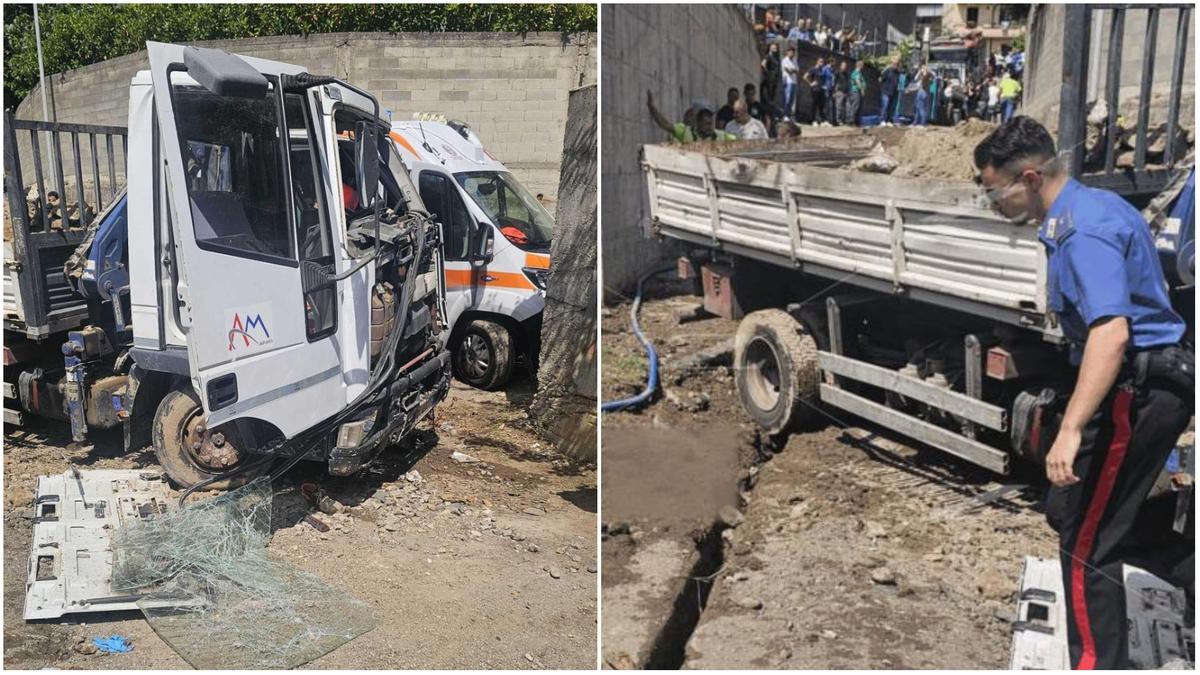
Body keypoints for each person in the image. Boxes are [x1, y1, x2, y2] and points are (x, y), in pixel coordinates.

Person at [974, 116, 1193, 671]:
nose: (993, 202)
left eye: (994, 190)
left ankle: (1096, 663)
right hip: (1148, 383)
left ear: (1027, 177)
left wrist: (1070, 429)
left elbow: (1111, 332)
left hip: (1136, 389)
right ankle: (1169, 558)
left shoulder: (1083, 231)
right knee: (1068, 508)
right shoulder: (1095, 207)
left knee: (1083, 550)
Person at [646, 92, 734, 143]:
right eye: (707, 124)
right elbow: (665, 124)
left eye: (711, 123)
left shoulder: (722, 136)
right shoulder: (685, 132)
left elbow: (741, 143)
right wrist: (652, 108)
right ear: (698, 122)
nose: (710, 127)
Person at [760, 42, 782, 119]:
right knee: (769, 97)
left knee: (773, 97)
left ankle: (772, 114)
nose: (775, 48)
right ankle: (768, 115)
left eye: (776, 47)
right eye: (773, 47)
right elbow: (763, 64)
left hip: (774, 80)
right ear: (770, 47)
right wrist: (768, 73)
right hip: (770, 79)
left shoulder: (776, 58)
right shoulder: (768, 56)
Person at [879, 57, 901, 126]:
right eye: (894, 64)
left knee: (891, 107)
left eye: (897, 64)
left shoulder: (897, 72)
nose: (895, 65)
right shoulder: (887, 71)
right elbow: (880, 79)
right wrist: (883, 87)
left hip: (893, 92)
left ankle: (889, 120)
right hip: (886, 91)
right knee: (885, 106)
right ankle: (882, 120)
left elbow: (897, 82)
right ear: (892, 64)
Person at [781, 47, 800, 116]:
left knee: (792, 100)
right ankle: (785, 115)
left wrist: (793, 70)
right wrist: (793, 70)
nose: (791, 53)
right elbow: (788, 71)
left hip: (794, 81)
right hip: (787, 81)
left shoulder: (794, 60)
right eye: (790, 52)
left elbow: (797, 70)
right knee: (787, 98)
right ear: (787, 52)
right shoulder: (785, 60)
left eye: (793, 52)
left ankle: (788, 115)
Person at [832, 60, 852, 126]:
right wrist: (834, 92)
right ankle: (838, 121)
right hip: (839, 92)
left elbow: (848, 83)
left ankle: (847, 120)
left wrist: (849, 92)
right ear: (840, 66)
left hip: (846, 92)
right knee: (839, 107)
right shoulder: (837, 73)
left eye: (845, 66)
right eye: (843, 66)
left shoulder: (846, 74)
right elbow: (834, 83)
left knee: (848, 106)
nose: (844, 67)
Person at [848, 60, 866, 127]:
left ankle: (855, 121)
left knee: (857, 106)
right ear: (860, 65)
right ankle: (851, 121)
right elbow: (857, 81)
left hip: (857, 91)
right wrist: (862, 89)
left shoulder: (858, 72)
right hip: (856, 91)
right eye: (862, 65)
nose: (863, 66)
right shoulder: (856, 72)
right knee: (855, 106)